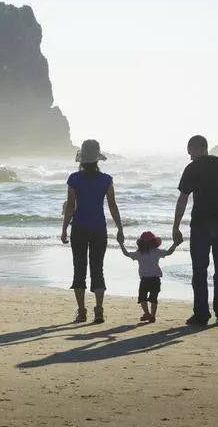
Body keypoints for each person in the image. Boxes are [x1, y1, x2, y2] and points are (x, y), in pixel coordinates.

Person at [172, 135, 218, 326]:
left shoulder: (192, 168)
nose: (189, 157)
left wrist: (176, 226)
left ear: (198, 148)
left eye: (190, 152)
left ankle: (201, 314)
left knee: (199, 271)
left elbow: (182, 200)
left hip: (200, 226)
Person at [61, 139, 124, 324]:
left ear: (81, 158)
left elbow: (71, 205)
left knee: (79, 268)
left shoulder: (74, 179)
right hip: (99, 228)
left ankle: (81, 311)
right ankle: (99, 310)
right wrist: (120, 228)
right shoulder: (106, 179)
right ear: (97, 158)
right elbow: (112, 205)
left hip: (79, 227)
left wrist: (64, 228)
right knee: (98, 268)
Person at [118, 230, 179, 322]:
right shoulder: (156, 251)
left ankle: (147, 313)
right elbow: (169, 252)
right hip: (155, 279)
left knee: (142, 297)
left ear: (140, 243)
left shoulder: (139, 253)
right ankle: (152, 316)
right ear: (154, 243)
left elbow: (126, 254)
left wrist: (121, 244)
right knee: (154, 298)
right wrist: (175, 244)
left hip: (145, 280)